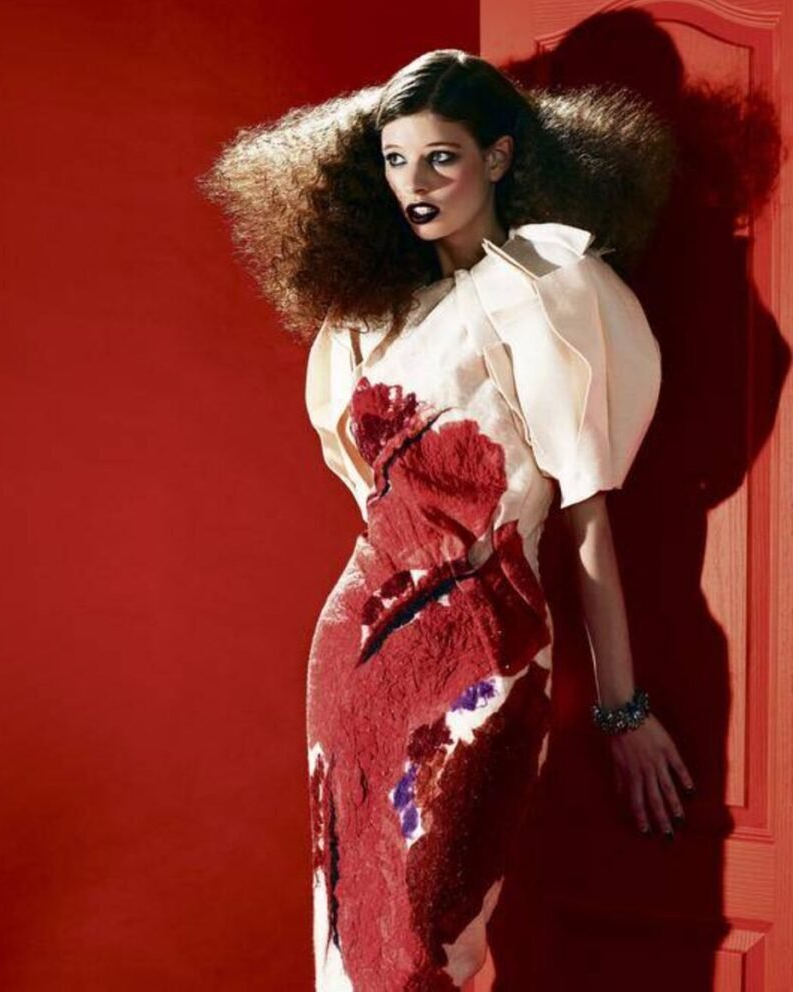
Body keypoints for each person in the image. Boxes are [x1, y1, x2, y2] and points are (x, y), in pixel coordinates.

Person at [199, 48, 696, 991]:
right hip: (355, 658)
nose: (415, 184)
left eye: (441, 157)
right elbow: (375, 502)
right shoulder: (369, 319)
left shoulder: (548, 290)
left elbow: (587, 517)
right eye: (396, 160)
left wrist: (622, 710)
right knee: (357, 939)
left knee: (431, 940)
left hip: (485, 654)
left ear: (498, 158)